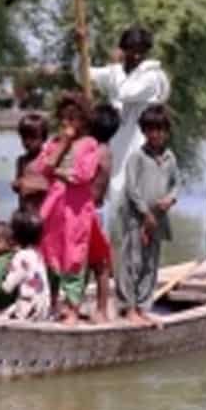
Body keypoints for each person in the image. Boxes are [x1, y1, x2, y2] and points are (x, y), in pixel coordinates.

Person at [34, 92, 100, 324]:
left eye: (73, 118)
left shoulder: (89, 144)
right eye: (64, 118)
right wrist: (63, 144)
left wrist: (58, 172)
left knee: (74, 256)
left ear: (83, 120)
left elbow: (82, 175)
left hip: (77, 211)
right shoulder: (54, 143)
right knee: (49, 253)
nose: (67, 123)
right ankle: (51, 302)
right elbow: (44, 166)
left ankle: (73, 308)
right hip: (52, 209)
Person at [89, 26, 170, 210]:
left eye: (141, 50)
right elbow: (84, 75)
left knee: (138, 204)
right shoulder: (115, 72)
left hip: (140, 148)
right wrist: (81, 47)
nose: (136, 55)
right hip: (116, 149)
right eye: (131, 49)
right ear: (123, 49)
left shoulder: (153, 77)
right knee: (113, 205)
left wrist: (113, 71)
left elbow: (126, 92)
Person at [117, 104, 180, 326]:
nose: (156, 134)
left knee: (151, 263)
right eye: (151, 130)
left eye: (160, 130)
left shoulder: (170, 158)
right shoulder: (137, 157)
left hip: (159, 219)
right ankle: (129, 307)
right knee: (132, 261)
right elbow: (132, 189)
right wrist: (145, 212)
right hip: (137, 218)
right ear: (144, 131)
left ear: (166, 131)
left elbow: (176, 184)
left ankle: (144, 306)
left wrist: (171, 198)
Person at [86, 102, 121, 322]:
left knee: (99, 264)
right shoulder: (106, 150)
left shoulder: (99, 152)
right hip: (97, 210)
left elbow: (81, 176)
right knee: (92, 263)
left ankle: (101, 309)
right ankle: (97, 307)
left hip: (93, 212)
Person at [0, 208, 51, 321]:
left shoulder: (21, 256)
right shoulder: (38, 255)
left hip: (28, 307)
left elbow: (8, 287)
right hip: (43, 307)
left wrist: (2, 278)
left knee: (0, 317)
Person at [12, 112, 50, 213]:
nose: (27, 142)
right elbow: (18, 182)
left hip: (43, 211)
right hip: (25, 212)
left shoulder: (48, 160)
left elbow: (53, 187)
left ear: (43, 138)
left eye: (33, 138)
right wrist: (16, 185)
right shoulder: (21, 160)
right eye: (24, 137)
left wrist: (33, 187)